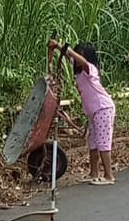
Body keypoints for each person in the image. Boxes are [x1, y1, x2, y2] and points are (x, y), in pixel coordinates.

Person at [50, 40, 116, 184]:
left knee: (103, 143)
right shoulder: (80, 73)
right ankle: (94, 173)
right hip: (94, 112)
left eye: (81, 54)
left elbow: (81, 61)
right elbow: (71, 58)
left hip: (103, 108)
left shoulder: (90, 69)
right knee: (92, 143)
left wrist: (68, 50)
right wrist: (58, 47)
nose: (77, 58)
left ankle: (109, 176)